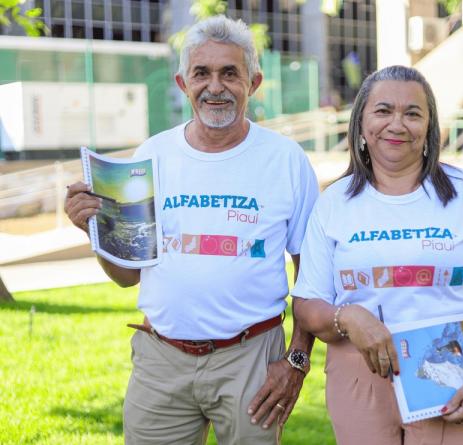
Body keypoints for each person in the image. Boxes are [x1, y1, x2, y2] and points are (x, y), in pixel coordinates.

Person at [65, 15, 318, 445]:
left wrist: (296, 360)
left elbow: (311, 273)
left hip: (252, 359)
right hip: (161, 359)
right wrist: (95, 230)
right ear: (184, 83)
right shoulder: (152, 156)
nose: (215, 86)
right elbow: (128, 276)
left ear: (253, 83)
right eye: (202, 73)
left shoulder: (286, 160)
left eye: (229, 74)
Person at [291, 65, 463, 445]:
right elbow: (306, 305)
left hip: (451, 375)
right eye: (383, 111)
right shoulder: (334, 203)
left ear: (429, 127)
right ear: (361, 124)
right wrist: (347, 315)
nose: (397, 125)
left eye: (412, 113)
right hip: (359, 378)